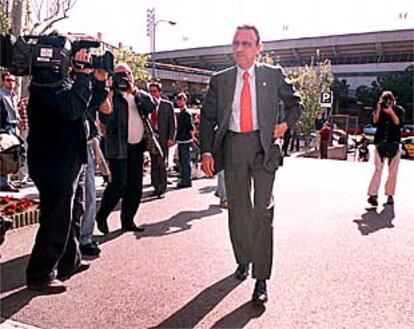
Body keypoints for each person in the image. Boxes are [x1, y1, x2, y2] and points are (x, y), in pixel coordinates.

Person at [200, 25, 302, 304]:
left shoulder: (273, 74)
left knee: (263, 211)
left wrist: (284, 126)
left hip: (263, 147)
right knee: (239, 211)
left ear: (259, 47)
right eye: (236, 43)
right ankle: (243, 258)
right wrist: (207, 152)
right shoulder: (219, 80)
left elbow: (296, 105)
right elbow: (207, 118)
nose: (240, 48)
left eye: (246, 43)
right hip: (233, 146)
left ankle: (261, 278)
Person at [25, 37, 109, 293]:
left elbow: (86, 107)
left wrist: (100, 81)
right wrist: (83, 75)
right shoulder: (45, 82)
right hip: (53, 160)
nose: (79, 59)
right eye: (74, 54)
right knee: (56, 217)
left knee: (74, 213)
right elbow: (73, 108)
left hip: (70, 157)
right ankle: (40, 273)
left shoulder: (63, 81)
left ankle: (68, 262)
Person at [96, 63, 156, 234]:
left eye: (127, 74)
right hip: (118, 147)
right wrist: (109, 93)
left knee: (135, 186)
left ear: (132, 76)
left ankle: (128, 220)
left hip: (137, 147)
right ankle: (102, 215)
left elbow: (151, 106)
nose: (124, 77)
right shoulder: (111, 97)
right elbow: (105, 119)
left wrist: (134, 92)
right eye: (119, 74)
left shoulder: (137, 94)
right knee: (118, 184)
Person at [367, 91, 404, 207]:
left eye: (390, 101)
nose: (388, 104)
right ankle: (373, 195)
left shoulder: (399, 110)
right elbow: (374, 122)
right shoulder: (379, 110)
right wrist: (378, 109)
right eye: (385, 101)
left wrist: (391, 112)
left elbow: (398, 123)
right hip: (380, 143)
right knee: (378, 169)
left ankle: (390, 195)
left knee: (393, 172)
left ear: (394, 101)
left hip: (394, 143)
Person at [148, 82, 176, 197]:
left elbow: (173, 123)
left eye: (155, 91)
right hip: (151, 138)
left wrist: (171, 138)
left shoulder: (167, 105)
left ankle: (162, 187)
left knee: (162, 163)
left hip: (163, 137)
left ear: (160, 92)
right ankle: (155, 186)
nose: (152, 94)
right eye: (150, 92)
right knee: (153, 162)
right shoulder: (147, 104)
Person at [0, 72, 20, 192]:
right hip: (4, 127)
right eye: (8, 80)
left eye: (12, 80)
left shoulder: (13, 95)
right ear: (3, 81)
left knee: (11, 156)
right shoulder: (1, 95)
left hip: (12, 126)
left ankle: (6, 181)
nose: (11, 83)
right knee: (5, 155)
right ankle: (3, 183)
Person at [175, 92, 194, 188]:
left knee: (185, 161)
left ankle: (187, 180)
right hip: (181, 139)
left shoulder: (186, 113)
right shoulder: (181, 113)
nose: (179, 102)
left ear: (185, 101)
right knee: (182, 161)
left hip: (186, 140)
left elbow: (190, 127)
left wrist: (193, 138)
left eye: (181, 100)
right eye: (178, 100)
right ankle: (184, 179)